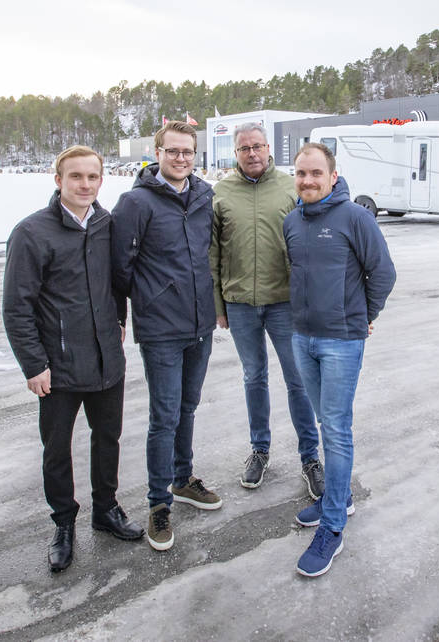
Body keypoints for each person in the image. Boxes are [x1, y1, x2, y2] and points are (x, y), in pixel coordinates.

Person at [2, 145, 144, 574]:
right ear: (58, 179)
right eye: (76, 177)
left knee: (108, 439)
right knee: (57, 449)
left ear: (102, 181)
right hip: (58, 367)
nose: (85, 185)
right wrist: (34, 365)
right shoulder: (32, 233)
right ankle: (64, 524)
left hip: (107, 360)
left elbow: (118, 281)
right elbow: (16, 307)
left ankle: (106, 510)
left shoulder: (106, 225)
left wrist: (120, 319)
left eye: (93, 177)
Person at [283, 142, 396, 578]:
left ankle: (333, 526)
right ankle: (338, 495)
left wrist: (366, 315)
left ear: (333, 176)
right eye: (300, 173)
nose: (307, 180)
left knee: (335, 428)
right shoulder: (292, 222)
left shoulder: (355, 218)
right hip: (302, 338)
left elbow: (382, 272)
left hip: (341, 341)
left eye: (315, 173)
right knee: (321, 419)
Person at [112, 120, 221, 552]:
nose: (181, 159)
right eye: (172, 151)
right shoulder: (135, 203)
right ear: (156, 153)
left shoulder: (203, 196)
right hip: (161, 328)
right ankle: (159, 503)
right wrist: (144, 302)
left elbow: (207, 252)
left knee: (188, 407)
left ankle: (182, 478)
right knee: (164, 416)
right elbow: (120, 267)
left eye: (188, 152)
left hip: (200, 324)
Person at [210, 123, 324, 497]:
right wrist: (218, 304)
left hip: (284, 303)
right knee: (254, 377)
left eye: (258, 146)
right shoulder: (221, 193)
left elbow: (311, 243)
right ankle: (259, 450)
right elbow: (213, 253)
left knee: (298, 381)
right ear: (235, 153)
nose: (253, 153)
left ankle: (310, 457)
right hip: (240, 303)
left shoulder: (289, 187)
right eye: (245, 148)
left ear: (268, 148)